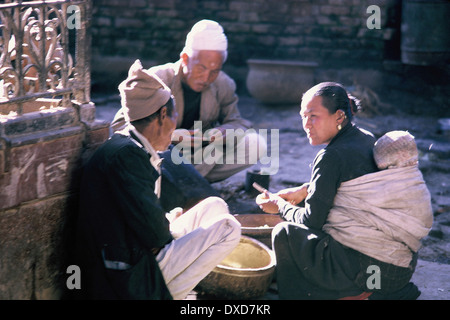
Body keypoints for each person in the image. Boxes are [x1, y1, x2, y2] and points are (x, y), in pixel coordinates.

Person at [76, 60, 241, 300]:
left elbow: (143, 221)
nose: (176, 127)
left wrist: (165, 224)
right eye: (175, 117)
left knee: (215, 206)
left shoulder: (129, 146)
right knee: (229, 228)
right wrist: (165, 229)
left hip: (133, 254)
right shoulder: (127, 155)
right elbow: (155, 235)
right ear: (163, 114)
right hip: (124, 277)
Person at [257, 82, 431, 299]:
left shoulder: (330, 157)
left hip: (365, 269)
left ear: (339, 116)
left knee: (285, 233)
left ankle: (333, 295)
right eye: (303, 116)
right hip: (396, 270)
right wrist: (304, 191)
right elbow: (352, 189)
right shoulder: (366, 138)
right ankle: (375, 293)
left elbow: (312, 221)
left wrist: (280, 206)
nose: (306, 124)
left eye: (313, 116)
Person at [112, 19, 267, 182]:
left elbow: (238, 122)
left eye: (214, 71)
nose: (207, 78)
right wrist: (170, 136)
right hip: (159, 154)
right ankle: (176, 184)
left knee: (255, 143)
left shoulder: (223, 83)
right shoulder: (158, 78)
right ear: (185, 58)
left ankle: (188, 183)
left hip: (198, 158)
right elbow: (120, 126)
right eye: (201, 68)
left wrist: (223, 132)